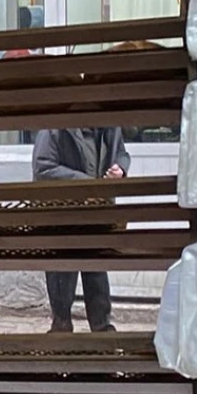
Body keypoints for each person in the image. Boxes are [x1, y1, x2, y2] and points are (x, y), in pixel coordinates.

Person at [33, 127, 129, 333]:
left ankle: (101, 327)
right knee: (62, 267)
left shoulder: (109, 125)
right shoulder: (53, 128)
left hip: (98, 210)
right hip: (63, 215)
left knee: (97, 267)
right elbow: (43, 168)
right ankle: (61, 325)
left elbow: (121, 152)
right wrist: (86, 183)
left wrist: (120, 168)